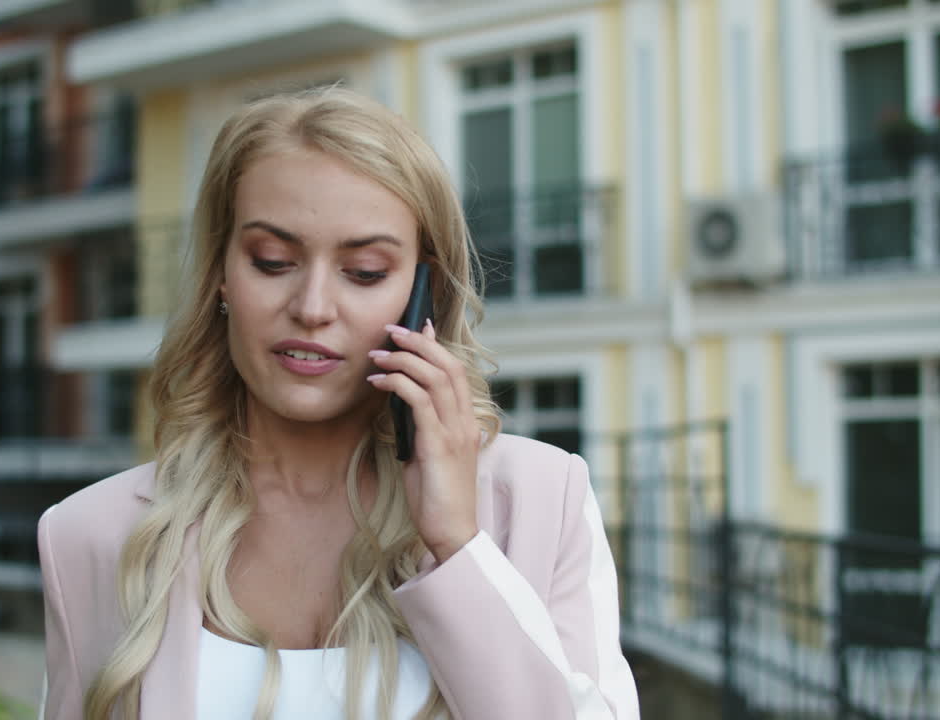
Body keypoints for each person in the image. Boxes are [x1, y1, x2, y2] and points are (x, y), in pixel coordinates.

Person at [37, 86, 639, 720]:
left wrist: (460, 548)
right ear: (220, 271)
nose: (313, 308)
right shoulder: (89, 536)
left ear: (422, 291)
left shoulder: (543, 502)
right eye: (272, 261)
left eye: (365, 272)